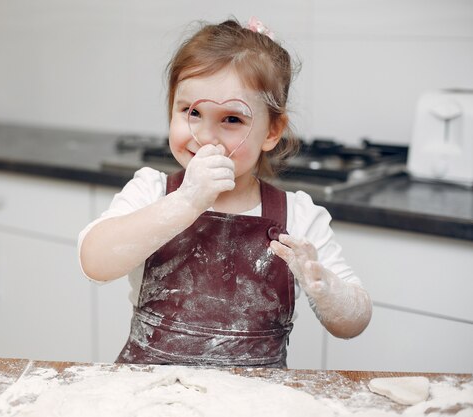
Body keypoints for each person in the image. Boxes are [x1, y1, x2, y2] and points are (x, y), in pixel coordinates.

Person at [78, 17, 372, 368]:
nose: (205, 136)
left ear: (272, 131)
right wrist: (184, 203)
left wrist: (326, 288)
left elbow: (353, 322)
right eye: (192, 112)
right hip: (150, 393)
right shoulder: (152, 191)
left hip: (253, 399)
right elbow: (94, 263)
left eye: (232, 119)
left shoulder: (298, 217)